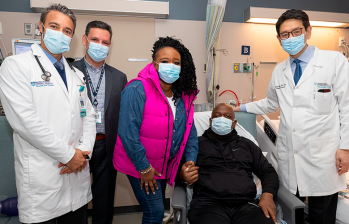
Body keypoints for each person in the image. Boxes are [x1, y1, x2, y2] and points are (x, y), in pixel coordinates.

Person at [234, 9, 349, 224]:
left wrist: (346, 147)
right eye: (285, 34)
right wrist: (241, 107)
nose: (291, 38)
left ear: (308, 32)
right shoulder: (280, 70)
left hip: (323, 157)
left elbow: (347, 106)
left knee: (321, 217)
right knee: (291, 213)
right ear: (279, 39)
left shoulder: (334, 61)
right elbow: (270, 103)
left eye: (296, 31)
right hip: (290, 157)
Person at [0, 4, 96, 224]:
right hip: (43, 180)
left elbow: (88, 116)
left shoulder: (76, 74)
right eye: (54, 26)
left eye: (67, 31)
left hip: (77, 177)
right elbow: (25, 122)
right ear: (41, 27)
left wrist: (83, 154)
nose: (61, 34)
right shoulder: (16, 66)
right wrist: (69, 155)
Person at [113, 36, 199, 224]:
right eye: (165, 61)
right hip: (140, 165)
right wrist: (144, 168)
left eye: (176, 62)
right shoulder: (137, 88)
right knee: (155, 212)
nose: (171, 66)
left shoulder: (182, 96)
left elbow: (190, 133)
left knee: (157, 210)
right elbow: (127, 133)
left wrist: (190, 161)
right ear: (154, 64)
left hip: (163, 166)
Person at [185, 103, 279, 224]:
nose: (222, 119)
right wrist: (183, 175)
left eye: (227, 116)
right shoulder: (196, 145)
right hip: (208, 206)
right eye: (217, 116)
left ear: (234, 123)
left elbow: (268, 171)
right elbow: (178, 169)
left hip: (245, 205)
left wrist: (267, 195)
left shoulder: (247, 145)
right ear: (210, 121)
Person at [72, 20, 127, 224]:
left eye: (105, 42)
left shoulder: (119, 77)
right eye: (95, 39)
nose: (99, 45)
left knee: (104, 199)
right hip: (76, 147)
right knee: (76, 199)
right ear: (85, 40)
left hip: (105, 145)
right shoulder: (69, 71)